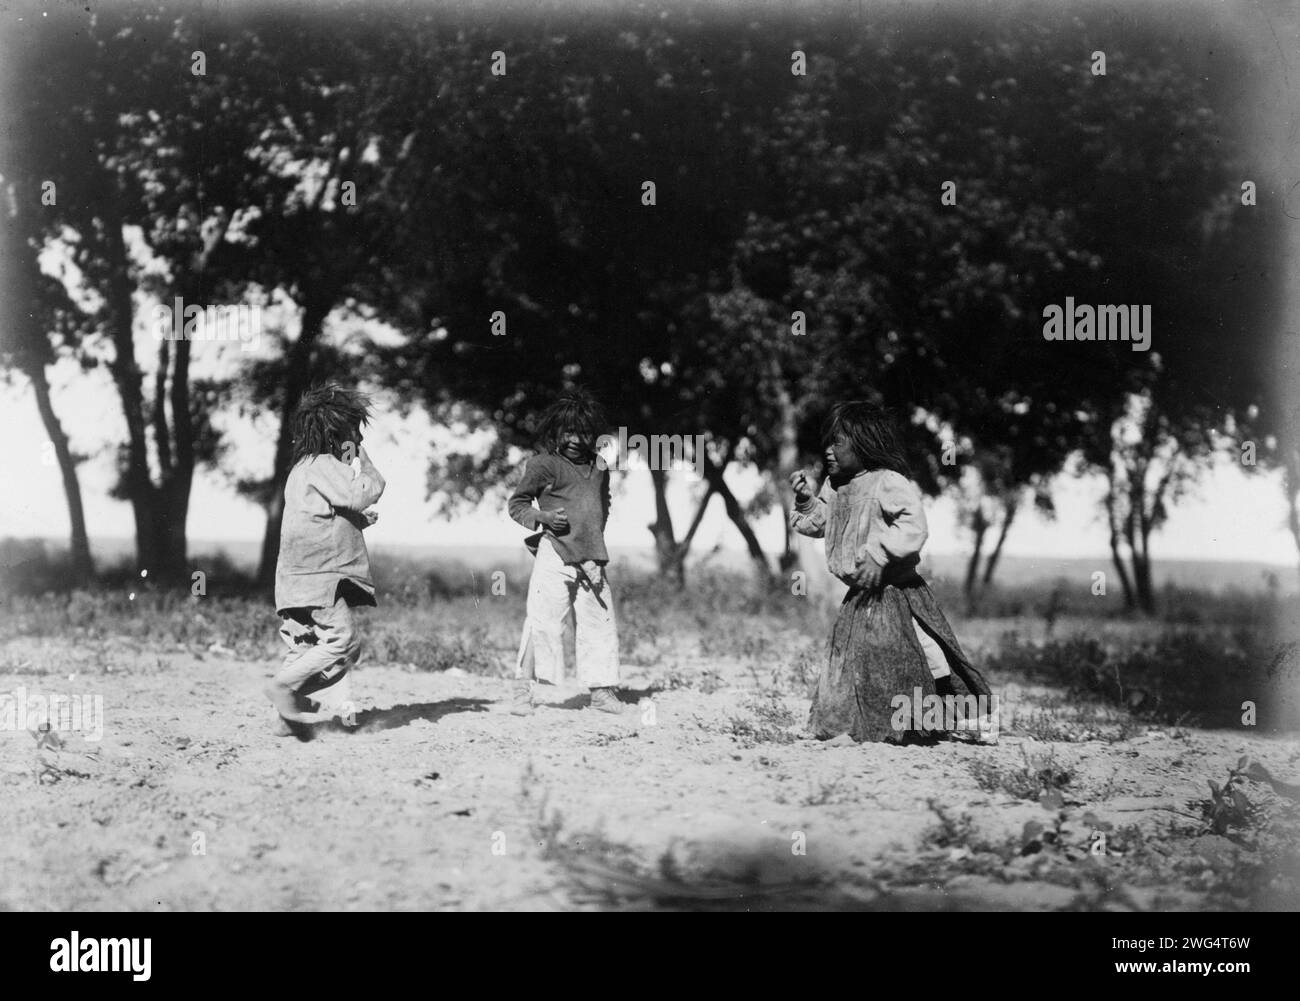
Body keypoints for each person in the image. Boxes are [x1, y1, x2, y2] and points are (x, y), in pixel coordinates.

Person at [790, 401, 996, 744]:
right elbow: (818, 524)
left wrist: (879, 553)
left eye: (837, 442)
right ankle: (867, 725)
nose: (828, 450)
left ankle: (968, 718)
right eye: (827, 442)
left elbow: (914, 526)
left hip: (898, 593)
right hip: (861, 597)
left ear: (865, 443)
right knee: (857, 665)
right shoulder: (835, 486)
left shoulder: (888, 483)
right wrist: (805, 502)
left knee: (925, 654)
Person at [267, 384, 385, 738]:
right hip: (320, 579)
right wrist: (367, 466)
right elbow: (361, 493)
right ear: (337, 431)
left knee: (303, 646)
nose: (358, 437)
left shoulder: (303, 468)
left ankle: (286, 720)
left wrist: (358, 522)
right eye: (355, 430)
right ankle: (284, 688)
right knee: (344, 643)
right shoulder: (324, 465)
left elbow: (317, 519)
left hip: (293, 580)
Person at [507, 389, 622, 715]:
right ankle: (522, 691)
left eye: (583, 432)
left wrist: (592, 545)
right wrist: (541, 518)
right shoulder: (543, 465)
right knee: (542, 622)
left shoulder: (600, 467)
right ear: (555, 431)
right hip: (554, 554)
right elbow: (517, 504)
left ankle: (601, 693)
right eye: (567, 431)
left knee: (600, 622)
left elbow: (604, 505)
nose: (574, 439)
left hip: (592, 558)